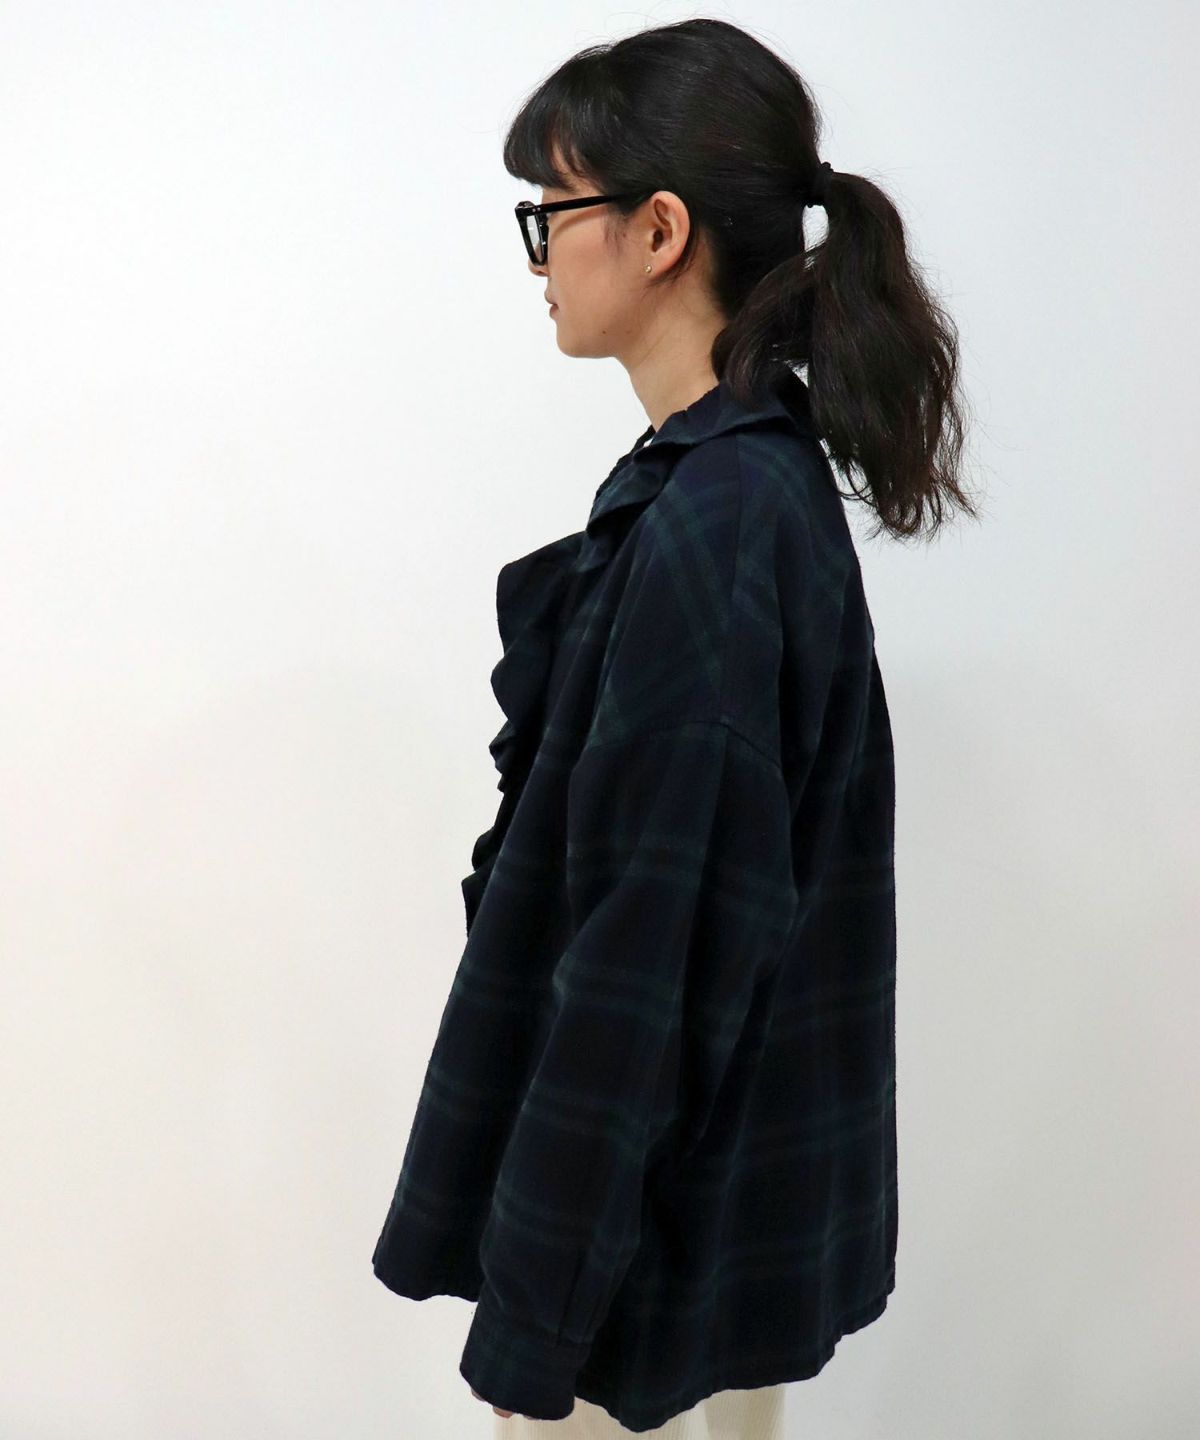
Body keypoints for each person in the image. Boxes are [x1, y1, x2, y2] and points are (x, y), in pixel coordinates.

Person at [372, 17, 979, 1438]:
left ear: (657, 231)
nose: (537, 256)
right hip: (697, 1201)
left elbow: (645, 956)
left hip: (644, 1232)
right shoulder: (735, 482)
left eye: (552, 213)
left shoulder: (720, 522)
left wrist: (541, 1310)